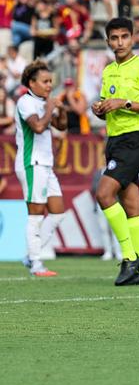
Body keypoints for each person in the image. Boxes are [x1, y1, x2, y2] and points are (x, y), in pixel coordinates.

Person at [91, 17, 139, 286]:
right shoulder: (109, 71)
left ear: (132, 38)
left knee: (104, 193)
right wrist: (100, 109)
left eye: (124, 37)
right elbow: (109, 107)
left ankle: (129, 257)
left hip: (135, 140)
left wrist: (126, 102)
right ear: (108, 41)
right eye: (114, 38)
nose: (119, 42)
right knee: (132, 206)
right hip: (114, 141)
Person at [14, 60, 68, 277]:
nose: (49, 86)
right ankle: (36, 263)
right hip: (31, 163)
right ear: (31, 83)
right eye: (44, 82)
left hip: (45, 164)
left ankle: (30, 255)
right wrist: (49, 108)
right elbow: (37, 127)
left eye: (50, 82)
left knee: (57, 213)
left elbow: (61, 126)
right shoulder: (25, 102)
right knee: (35, 214)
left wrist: (60, 110)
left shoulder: (43, 102)